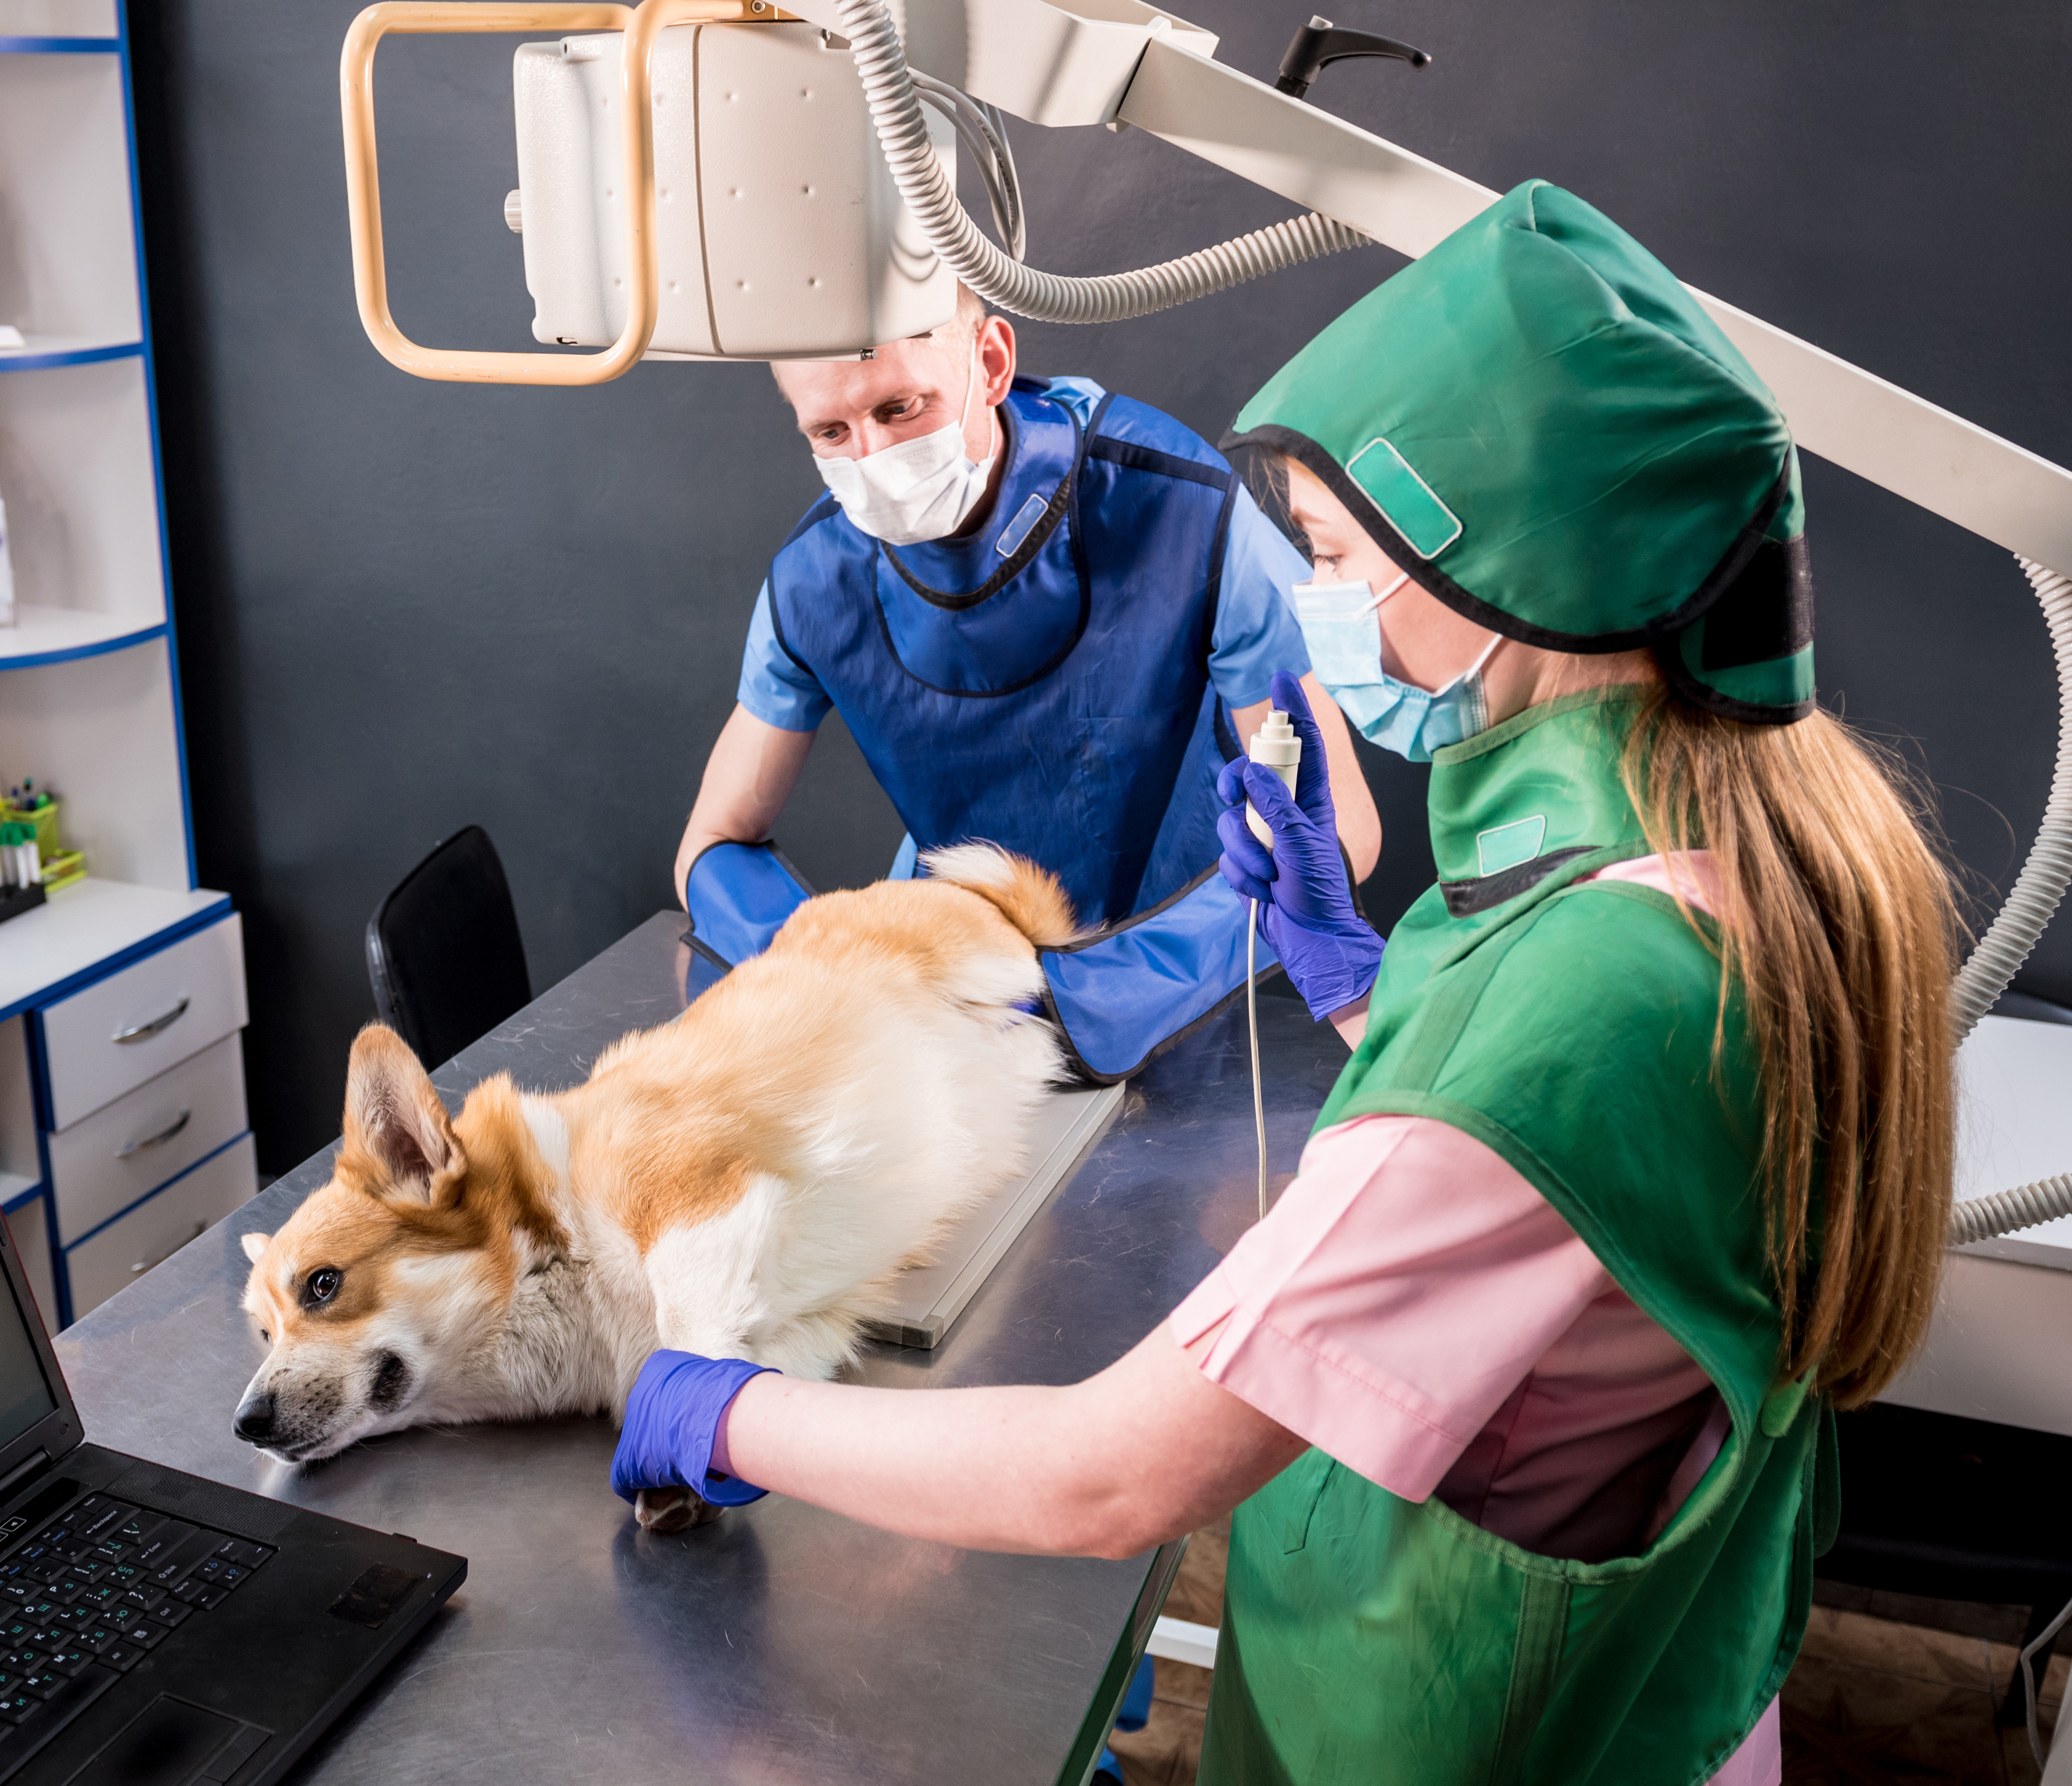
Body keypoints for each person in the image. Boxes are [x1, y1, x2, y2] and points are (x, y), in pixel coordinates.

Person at [612, 182, 1963, 1783]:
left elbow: (1101, 1480)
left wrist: (713, 1411)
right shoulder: (1735, 862)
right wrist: (1350, 980)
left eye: (1330, 557)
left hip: (1455, 1726)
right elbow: (1547, 1189)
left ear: (1498, 563)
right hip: (1645, 1693)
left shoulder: (1591, 1001)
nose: (1317, 608)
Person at [672, 292, 1380, 1078]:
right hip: (953, 996)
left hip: (1187, 970)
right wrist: (830, 978)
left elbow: (1338, 822)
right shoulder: (814, 579)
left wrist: (1094, 998)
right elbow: (712, 843)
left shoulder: (1180, 508)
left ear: (991, 362)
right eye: (830, 432)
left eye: (901, 408)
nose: (871, 457)